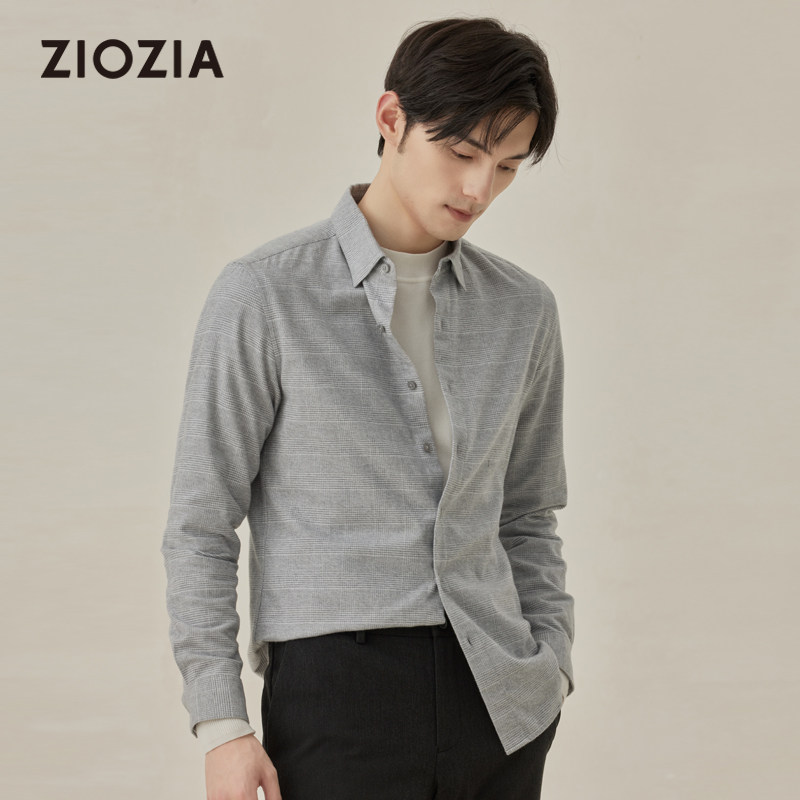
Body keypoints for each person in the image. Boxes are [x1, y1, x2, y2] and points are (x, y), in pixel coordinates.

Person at [161, 16, 575, 800]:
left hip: (502, 700)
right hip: (337, 694)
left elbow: (527, 514)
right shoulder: (264, 294)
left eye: (507, 167)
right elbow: (201, 525)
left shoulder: (524, 309)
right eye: (462, 153)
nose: (479, 190)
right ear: (391, 119)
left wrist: (551, 666)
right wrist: (221, 725)